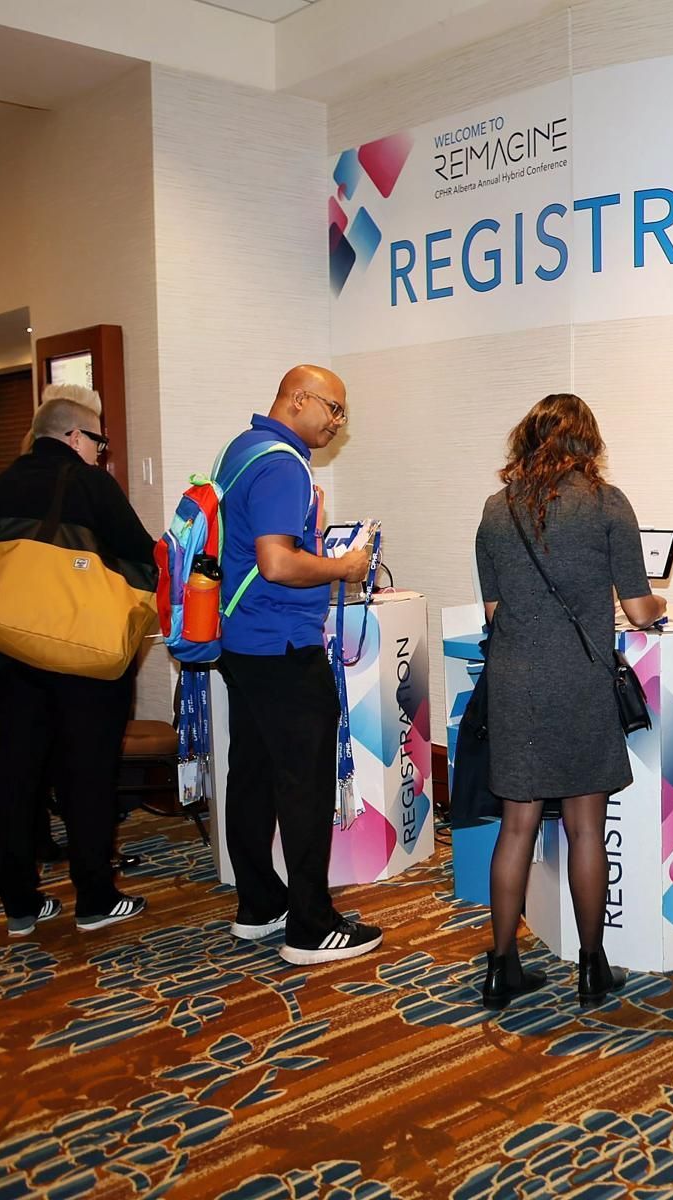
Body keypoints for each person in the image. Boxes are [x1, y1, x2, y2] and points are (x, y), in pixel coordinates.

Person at [474, 393, 665, 1009]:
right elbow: (639, 608)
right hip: (580, 682)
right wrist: (656, 606)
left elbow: (496, 612)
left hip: (515, 684)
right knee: (587, 829)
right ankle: (591, 968)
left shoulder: (495, 510)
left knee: (517, 826)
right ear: (589, 443)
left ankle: (500, 968)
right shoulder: (608, 505)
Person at [0, 384, 156, 937]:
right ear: (75, 436)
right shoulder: (93, 486)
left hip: (9, 657)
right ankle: (94, 898)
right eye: (99, 440)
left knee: (14, 777)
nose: (101, 451)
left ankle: (21, 905)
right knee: (87, 774)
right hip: (83, 662)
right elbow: (142, 562)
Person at [215, 365, 379, 966]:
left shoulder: (242, 449)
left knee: (252, 775)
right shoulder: (284, 464)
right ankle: (311, 926)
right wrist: (344, 567)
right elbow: (279, 564)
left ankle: (260, 905)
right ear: (299, 398)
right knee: (303, 785)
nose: (338, 424)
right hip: (284, 646)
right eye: (333, 409)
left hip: (243, 643)